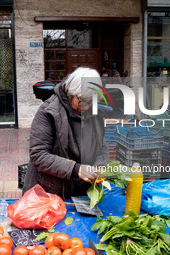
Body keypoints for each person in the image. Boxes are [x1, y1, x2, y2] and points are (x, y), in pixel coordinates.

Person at [22, 67, 110, 198]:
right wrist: (76, 169)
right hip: (50, 192)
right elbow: (38, 155)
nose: (87, 106)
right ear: (70, 92)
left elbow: (101, 145)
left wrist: (101, 165)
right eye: (83, 101)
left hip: (82, 192)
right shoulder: (49, 111)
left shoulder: (93, 112)